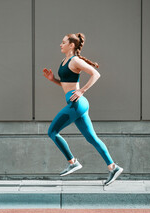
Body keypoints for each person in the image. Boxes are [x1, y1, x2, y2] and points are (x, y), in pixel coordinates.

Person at [43, 33, 123, 186]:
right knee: (92, 138)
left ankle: (73, 162)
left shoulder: (75, 61)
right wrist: (53, 80)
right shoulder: (64, 61)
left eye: (63, 42)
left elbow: (96, 74)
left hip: (77, 104)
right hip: (78, 104)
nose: (60, 44)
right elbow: (67, 85)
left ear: (71, 45)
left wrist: (82, 90)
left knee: (52, 132)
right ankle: (113, 167)